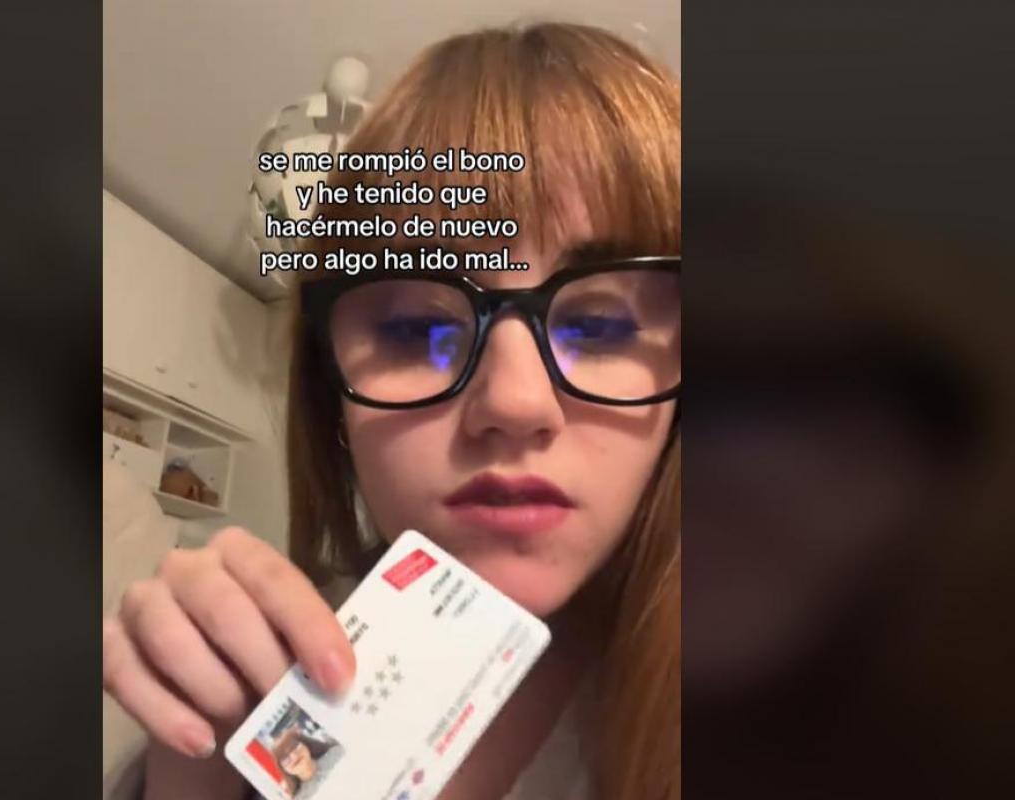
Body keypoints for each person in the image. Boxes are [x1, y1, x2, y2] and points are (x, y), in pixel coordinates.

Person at [102, 21, 680, 800]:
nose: (514, 403)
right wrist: (191, 781)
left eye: (603, 326)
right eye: (416, 331)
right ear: (332, 399)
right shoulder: (256, 690)